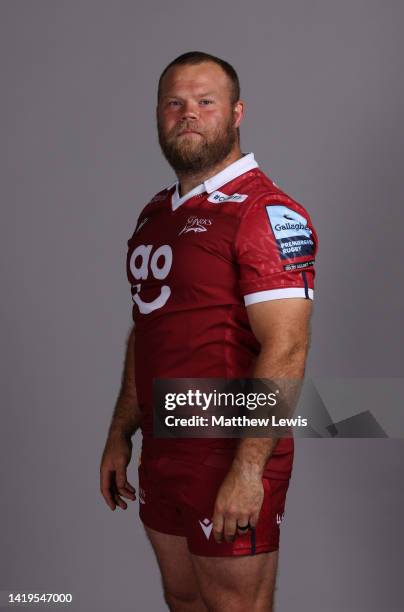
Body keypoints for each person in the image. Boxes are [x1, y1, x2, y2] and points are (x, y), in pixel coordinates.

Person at [100, 51, 318, 612]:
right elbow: (147, 329)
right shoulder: (155, 214)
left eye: (205, 102)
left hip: (228, 449)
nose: (188, 114)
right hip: (163, 447)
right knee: (183, 599)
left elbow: (287, 346)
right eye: (175, 103)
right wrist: (121, 431)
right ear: (158, 115)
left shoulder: (265, 212)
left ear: (237, 113)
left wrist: (249, 471)